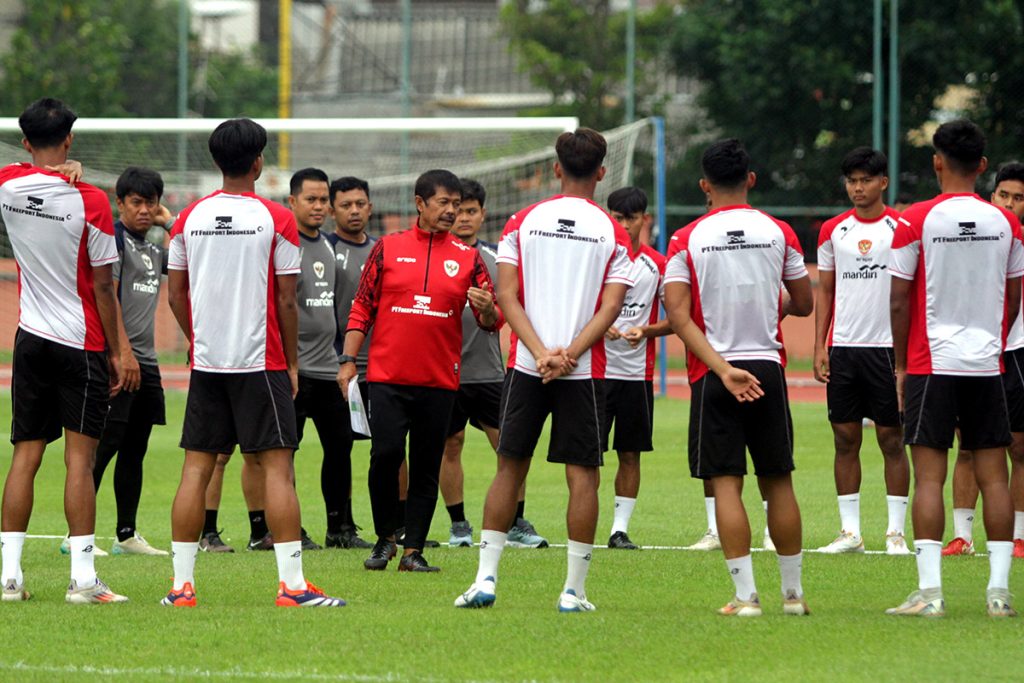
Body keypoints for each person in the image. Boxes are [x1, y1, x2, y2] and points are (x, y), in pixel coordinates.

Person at [454, 128, 639, 613]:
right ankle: (573, 592)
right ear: (602, 172)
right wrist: (569, 354)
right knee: (583, 478)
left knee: (508, 470)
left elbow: (506, 297)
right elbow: (612, 307)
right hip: (583, 371)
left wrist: (539, 353)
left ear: (557, 168)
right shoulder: (613, 231)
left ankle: (485, 581)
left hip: (526, 367)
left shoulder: (522, 221)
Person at [163, 118, 345, 607]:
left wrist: (196, 337)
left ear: (216, 161)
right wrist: (288, 363)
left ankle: (182, 587)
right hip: (260, 361)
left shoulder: (187, 218)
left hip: (208, 364)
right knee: (278, 470)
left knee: (195, 470)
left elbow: (175, 293)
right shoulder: (275, 219)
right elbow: (289, 300)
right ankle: (292, 586)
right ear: (259, 162)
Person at [663, 138, 813, 617]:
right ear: (750, 179)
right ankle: (793, 597)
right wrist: (775, 305)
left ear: (704, 185)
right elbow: (805, 303)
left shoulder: (685, 238)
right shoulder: (779, 232)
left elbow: (679, 316)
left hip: (714, 371)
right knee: (779, 481)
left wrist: (723, 368)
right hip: (767, 366)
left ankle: (746, 597)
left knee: (726, 483)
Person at [887, 119, 1021, 618]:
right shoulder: (1007, 222)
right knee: (995, 478)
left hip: (930, 364)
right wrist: (992, 342)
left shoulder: (914, 219)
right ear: (983, 167)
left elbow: (899, 300)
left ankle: (931, 593)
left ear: (937, 162)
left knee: (928, 479)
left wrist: (901, 366)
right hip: (987, 364)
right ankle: (1000, 594)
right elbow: (1012, 298)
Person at [0, 98, 128, 603]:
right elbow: (103, 287)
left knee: (25, 455)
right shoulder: (91, 200)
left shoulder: (8, 183)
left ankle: (10, 578)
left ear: (27, 141)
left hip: (29, 337)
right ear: (70, 139)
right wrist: (119, 352)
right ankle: (81, 580)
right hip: (81, 342)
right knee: (80, 459)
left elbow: (22, 167)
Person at [340, 169, 499, 573]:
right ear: (420, 203)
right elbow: (362, 306)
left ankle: (413, 552)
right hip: (388, 377)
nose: (451, 211)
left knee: (427, 463)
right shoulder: (388, 249)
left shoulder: (469, 258)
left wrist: (485, 310)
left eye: (456, 204)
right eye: (443, 203)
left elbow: (492, 318)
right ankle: (385, 538)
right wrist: (347, 361)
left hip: (440, 381)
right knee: (385, 456)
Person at [440, 178, 548, 549]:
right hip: (444, 372)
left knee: (510, 446)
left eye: (472, 211)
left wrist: (491, 311)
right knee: (449, 445)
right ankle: (458, 526)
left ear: (483, 214)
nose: (464, 218)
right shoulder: (434, 258)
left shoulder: (496, 260)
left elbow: (508, 311)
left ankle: (516, 522)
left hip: (488, 371)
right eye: (459, 211)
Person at [813, 147, 911, 555]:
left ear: (882, 183)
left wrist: (907, 358)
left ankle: (895, 533)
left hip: (886, 349)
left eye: (865, 180)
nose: (857, 187)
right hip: (845, 348)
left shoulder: (901, 228)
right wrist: (820, 344)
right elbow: (827, 290)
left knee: (891, 439)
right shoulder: (833, 231)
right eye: (851, 180)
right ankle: (850, 532)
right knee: (844, 438)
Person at [90, 166, 176, 557]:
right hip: (119, 362)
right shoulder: (115, 243)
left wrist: (170, 222)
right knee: (104, 447)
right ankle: (78, 536)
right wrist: (119, 355)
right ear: (119, 202)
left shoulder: (152, 248)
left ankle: (126, 534)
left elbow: (190, 257)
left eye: (151, 203)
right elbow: (106, 297)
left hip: (147, 362)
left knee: (135, 449)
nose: (144, 210)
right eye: (136, 202)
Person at [943, 161, 1024, 559]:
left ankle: (1020, 536)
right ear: (992, 196)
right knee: (967, 446)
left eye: (1019, 197)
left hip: (1017, 349)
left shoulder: (1017, 240)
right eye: (1004, 195)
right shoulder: (975, 234)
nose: (1010, 203)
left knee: (1019, 447)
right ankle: (962, 536)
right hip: (974, 352)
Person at [289, 167, 371, 549]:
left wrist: (344, 360)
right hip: (291, 369)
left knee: (340, 450)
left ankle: (340, 529)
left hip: (329, 369)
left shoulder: (328, 248)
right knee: (283, 454)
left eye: (324, 200)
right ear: (293, 201)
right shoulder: (284, 244)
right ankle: (287, 529)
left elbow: (338, 313)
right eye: (312, 199)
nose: (319, 206)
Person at [601, 186, 668, 550]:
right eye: (618, 217)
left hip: (634, 377)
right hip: (593, 373)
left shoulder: (657, 265)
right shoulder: (595, 259)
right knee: (586, 456)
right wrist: (598, 325)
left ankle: (619, 530)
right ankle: (582, 524)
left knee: (630, 453)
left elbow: (679, 318)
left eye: (631, 218)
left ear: (645, 219)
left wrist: (647, 330)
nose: (625, 225)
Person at [325, 176, 375, 549]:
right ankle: (337, 526)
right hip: (332, 365)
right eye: (346, 205)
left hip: (376, 366)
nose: (354, 210)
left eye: (360, 203)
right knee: (337, 445)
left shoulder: (382, 250)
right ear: (332, 210)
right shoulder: (324, 249)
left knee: (376, 446)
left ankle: (383, 526)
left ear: (370, 207)